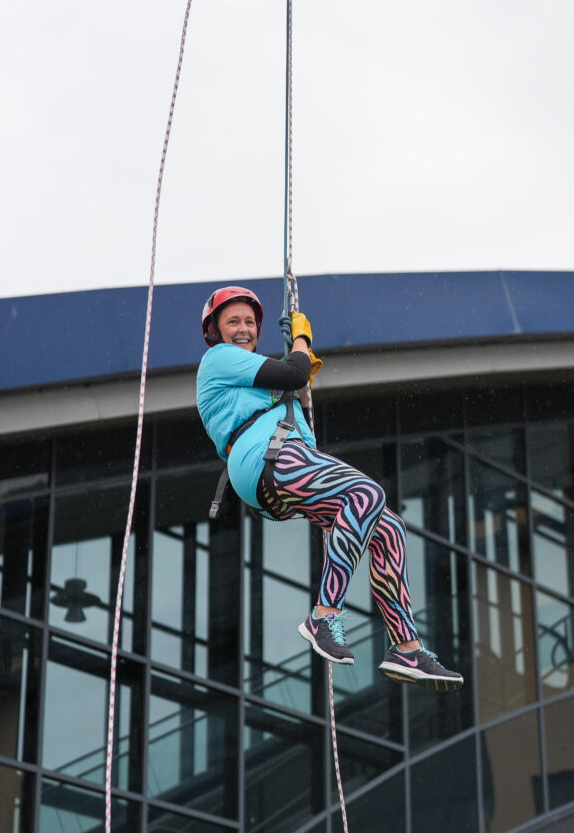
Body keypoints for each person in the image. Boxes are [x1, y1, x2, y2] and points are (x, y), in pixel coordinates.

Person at [196, 285, 463, 692]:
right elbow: (293, 372)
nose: (244, 329)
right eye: (233, 321)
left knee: (388, 528)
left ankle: (406, 647)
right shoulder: (218, 360)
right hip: (264, 458)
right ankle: (325, 614)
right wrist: (301, 341)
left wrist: (301, 387)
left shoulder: (253, 376)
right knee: (367, 494)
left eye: (249, 322)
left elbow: (293, 383)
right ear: (214, 330)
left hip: (281, 463)